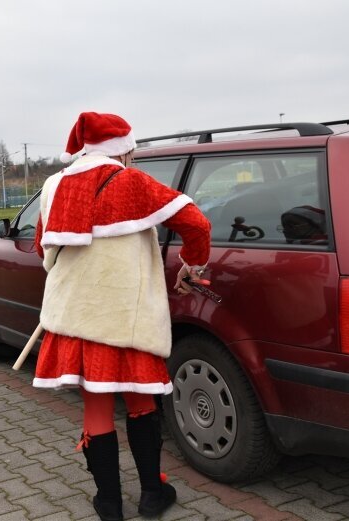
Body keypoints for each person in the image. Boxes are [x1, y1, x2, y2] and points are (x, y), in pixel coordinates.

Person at [33, 112, 211, 520]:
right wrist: (191, 265)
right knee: (140, 403)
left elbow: (45, 248)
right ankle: (152, 494)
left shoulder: (52, 186)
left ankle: (109, 506)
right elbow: (197, 224)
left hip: (76, 319)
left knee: (95, 411)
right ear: (124, 149)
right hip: (127, 320)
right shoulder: (132, 181)